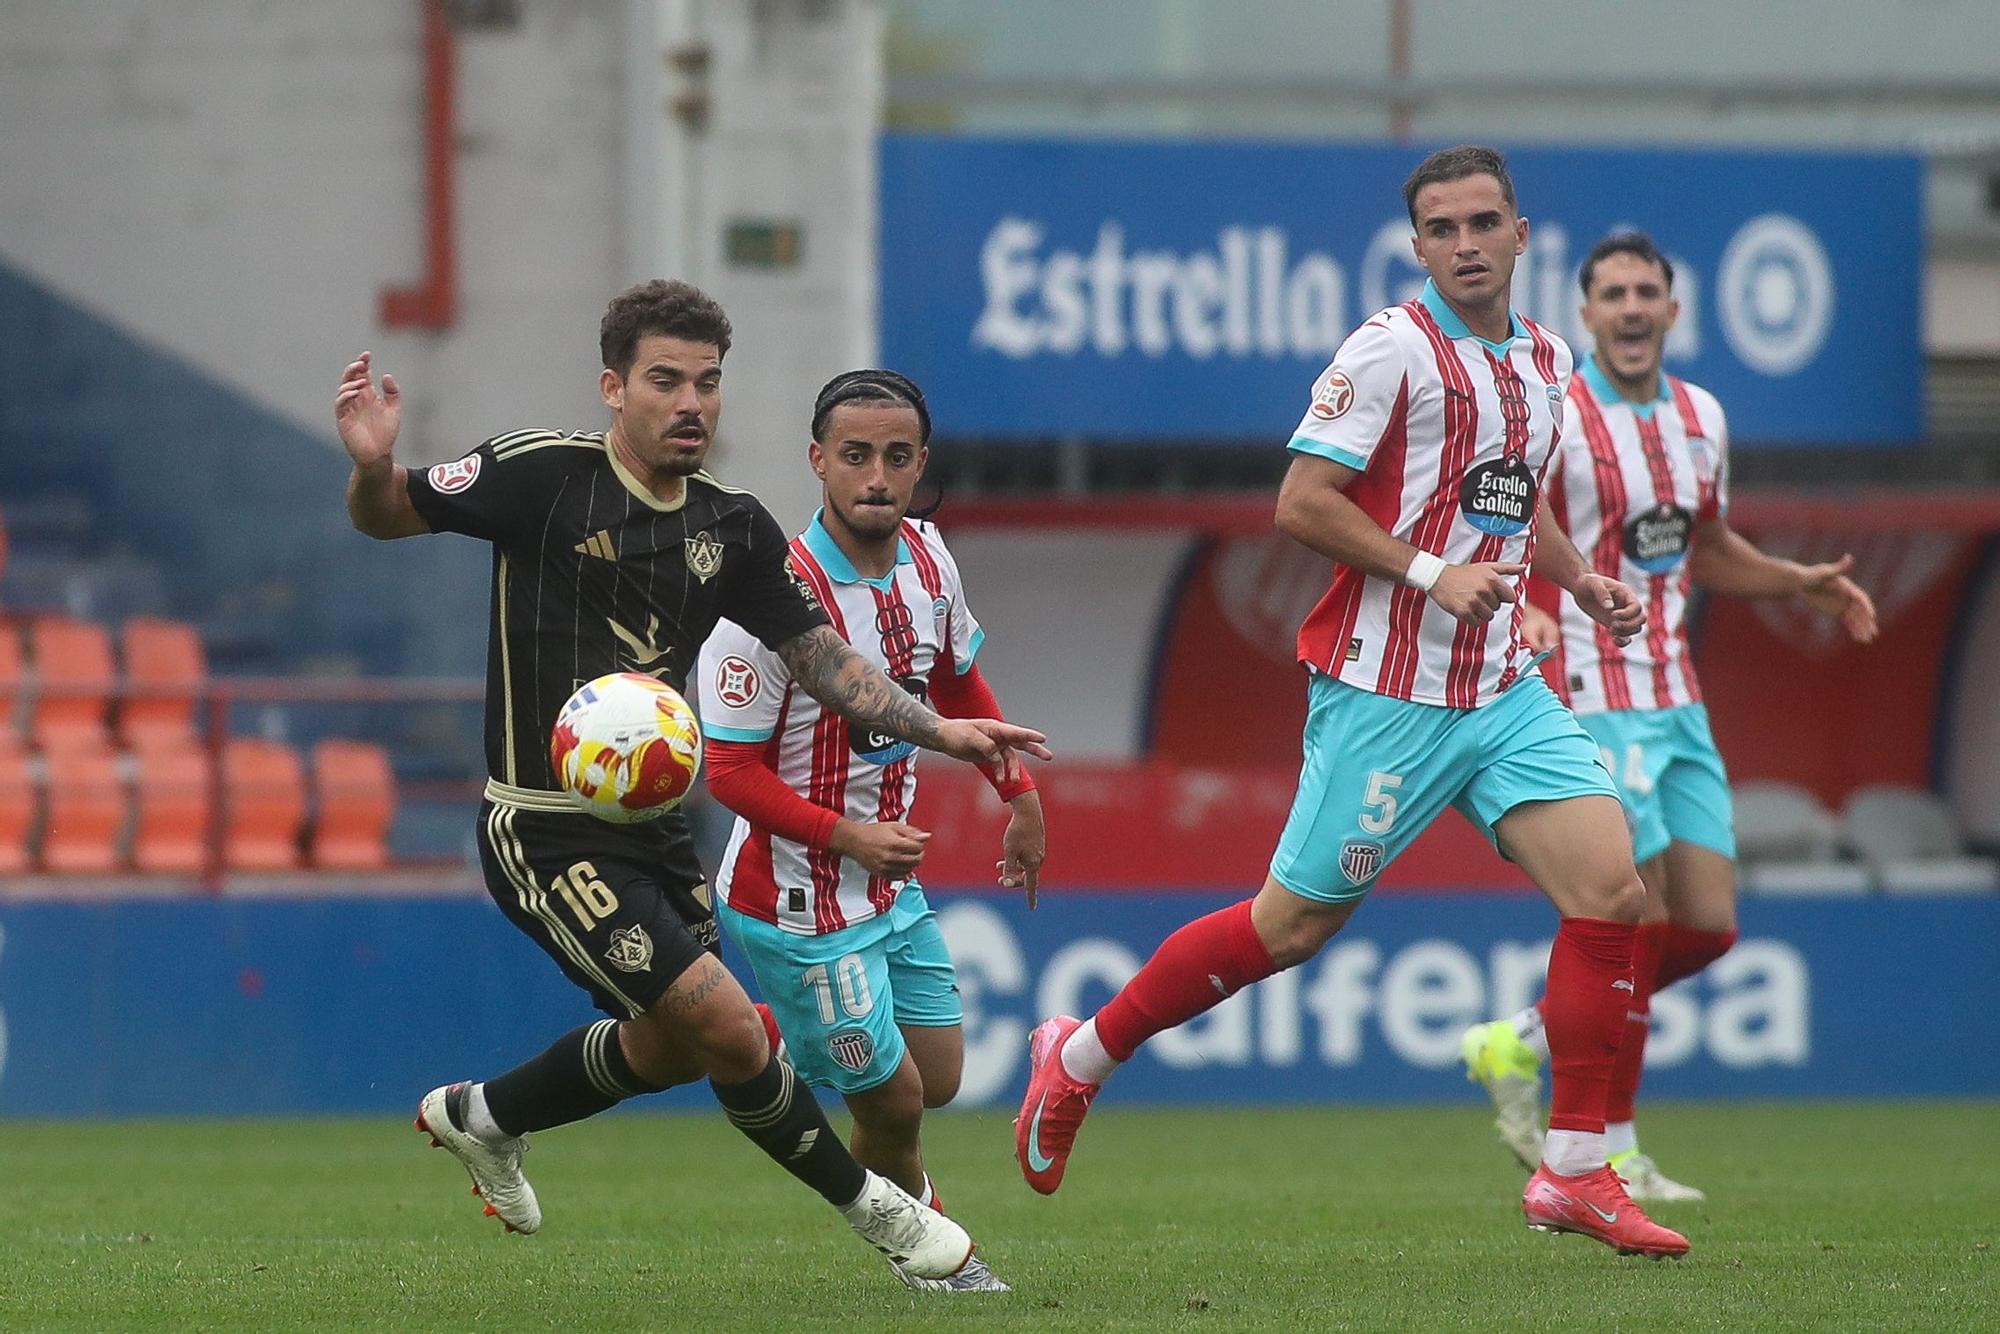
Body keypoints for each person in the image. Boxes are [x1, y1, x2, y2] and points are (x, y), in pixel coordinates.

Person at [1013, 144, 1690, 1258]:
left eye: (1483, 222)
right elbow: (1297, 502)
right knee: (1289, 927)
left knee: (1611, 888)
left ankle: (1573, 1169)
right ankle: (1078, 1055)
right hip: (1387, 695)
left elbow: (1510, 507)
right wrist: (1428, 574)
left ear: (1522, 234)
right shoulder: (1387, 353)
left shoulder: (1542, 359)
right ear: (1416, 245)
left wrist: (1577, 581)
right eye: (1440, 228)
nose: (1464, 244)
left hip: (1500, 691)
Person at [334, 279, 1049, 1286]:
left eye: (706, 383)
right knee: (727, 1024)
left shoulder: (734, 524)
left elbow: (825, 660)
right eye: (664, 380)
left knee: (671, 1047)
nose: (690, 403)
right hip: (543, 825)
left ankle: (480, 1115)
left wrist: (941, 729)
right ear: (613, 387)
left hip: (655, 826)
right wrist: (371, 469)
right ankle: (892, 1220)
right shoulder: (540, 476)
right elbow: (389, 513)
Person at [1460, 231, 1878, 1199]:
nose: (1633, 307)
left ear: (1671, 310)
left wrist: (1792, 580)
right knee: (1633, 919)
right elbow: (1503, 521)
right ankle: (1608, 1145)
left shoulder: (1699, 415)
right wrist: (1524, 601)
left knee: (1707, 922)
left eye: (1647, 290)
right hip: (1591, 691)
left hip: (1676, 696)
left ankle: (1517, 1035)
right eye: (1612, 293)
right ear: (1589, 313)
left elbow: (1705, 546)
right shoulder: (1557, 410)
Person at [695, 369, 1046, 1293]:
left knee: (939, 1078)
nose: (877, 477)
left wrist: (1020, 796)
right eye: (855, 456)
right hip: (798, 899)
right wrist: (844, 837)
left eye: (897, 457)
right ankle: (928, 1254)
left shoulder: (931, 557)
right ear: (817, 462)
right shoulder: (768, 602)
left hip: (886, 879)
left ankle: (758, 1033)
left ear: (921, 463)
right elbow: (727, 771)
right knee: (891, 1104)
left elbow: (960, 683)